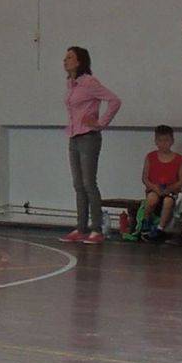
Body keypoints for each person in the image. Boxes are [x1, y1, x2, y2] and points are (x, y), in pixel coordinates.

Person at [60, 46, 122, 245]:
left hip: (88, 137)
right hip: (74, 136)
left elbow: (114, 101)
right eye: (65, 57)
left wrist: (100, 122)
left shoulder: (89, 82)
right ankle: (81, 227)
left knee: (89, 183)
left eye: (70, 57)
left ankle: (96, 229)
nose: (65, 60)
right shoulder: (71, 84)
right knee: (78, 184)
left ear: (79, 61)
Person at [139, 125, 182, 241]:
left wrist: (170, 188)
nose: (163, 143)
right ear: (156, 141)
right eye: (160, 140)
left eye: (166, 140)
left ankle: (160, 228)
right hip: (154, 189)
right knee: (152, 199)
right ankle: (146, 221)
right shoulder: (150, 157)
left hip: (171, 191)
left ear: (172, 141)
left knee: (168, 201)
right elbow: (145, 177)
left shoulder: (178, 159)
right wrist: (153, 187)